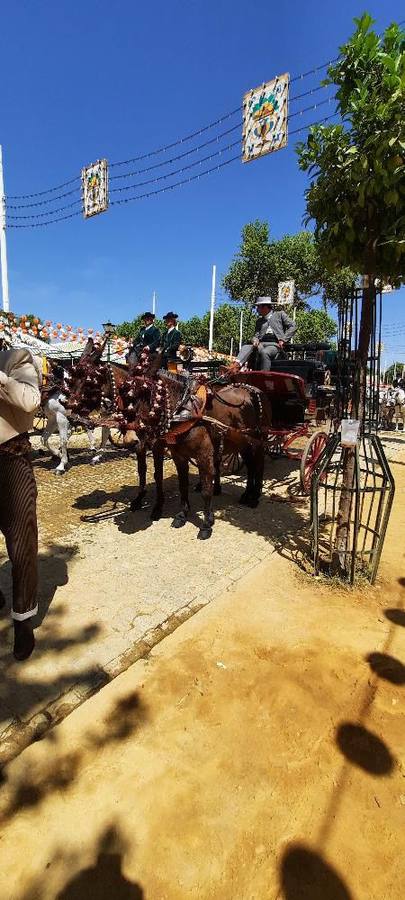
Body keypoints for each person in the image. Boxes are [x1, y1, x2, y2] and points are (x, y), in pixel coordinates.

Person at [0, 348, 42, 660]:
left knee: (21, 542)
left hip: (10, 458)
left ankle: (23, 619)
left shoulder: (17, 359)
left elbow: (29, 401)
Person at [234, 297, 297, 371]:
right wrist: (254, 340)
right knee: (246, 347)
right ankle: (234, 367)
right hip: (260, 344)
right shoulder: (259, 321)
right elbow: (256, 335)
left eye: (258, 307)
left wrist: (283, 339)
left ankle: (264, 374)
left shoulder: (280, 314)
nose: (256, 309)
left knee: (265, 352)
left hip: (274, 345)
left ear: (265, 307)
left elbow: (293, 326)